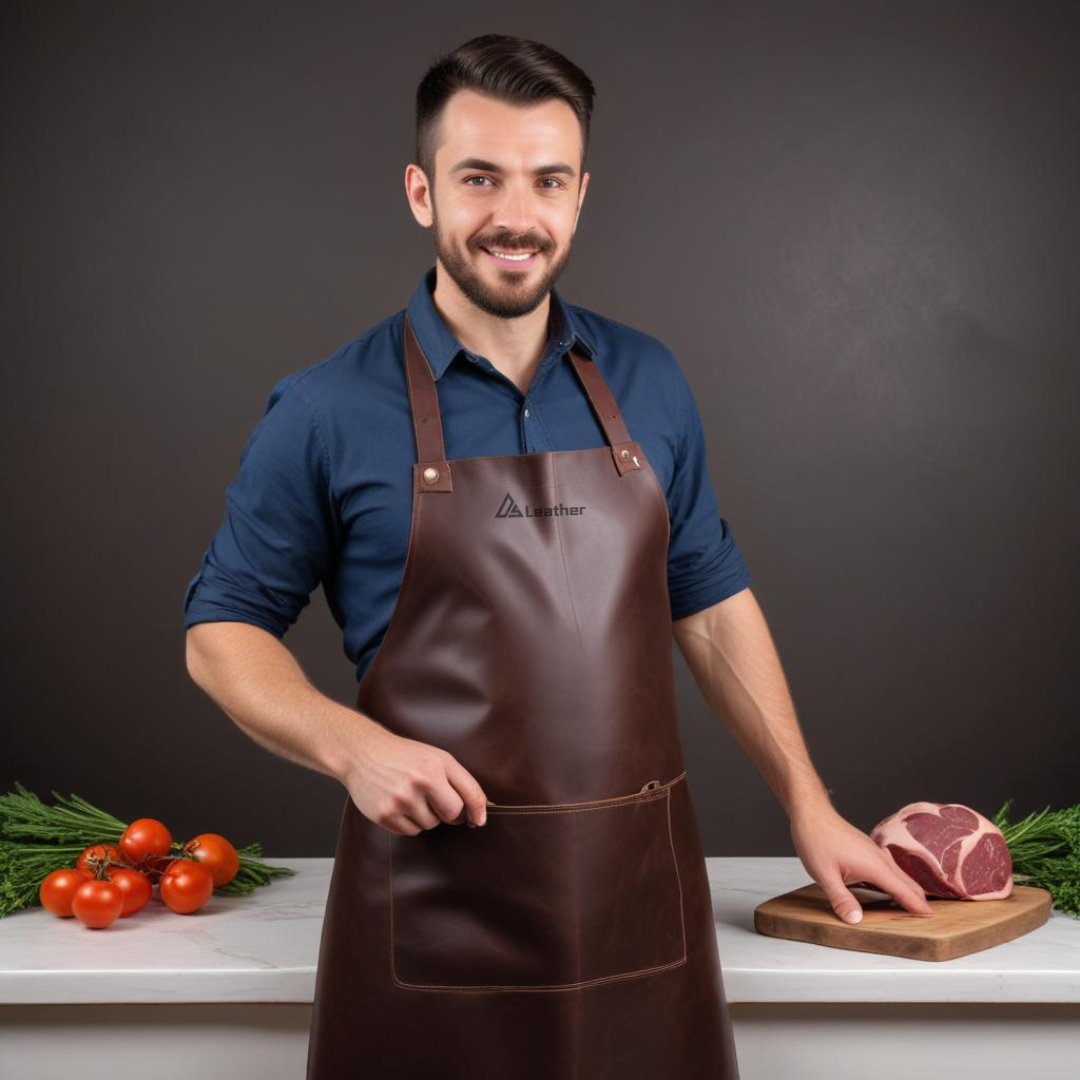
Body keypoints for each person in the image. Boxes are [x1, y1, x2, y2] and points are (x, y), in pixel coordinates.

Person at [182, 32, 933, 1080]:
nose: (515, 217)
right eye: (478, 178)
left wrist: (808, 804)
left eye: (547, 180)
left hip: (638, 909)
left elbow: (709, 604)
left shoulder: (650, 379)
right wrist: (352, 747)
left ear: (581, 195)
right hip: (429, 912)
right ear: (421, 192)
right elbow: (222, 632)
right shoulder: (322, 409)